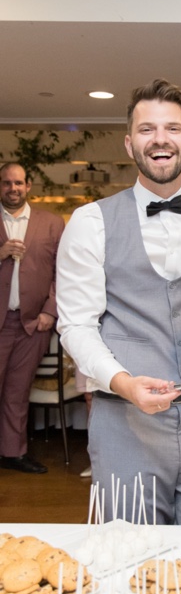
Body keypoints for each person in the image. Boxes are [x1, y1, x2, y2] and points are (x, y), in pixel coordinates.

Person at [58, 79, 181, 524]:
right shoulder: (90, 223)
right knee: (131, 552)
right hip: (125, 421)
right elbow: (76, 325)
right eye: (147, 129)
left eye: (171, 128)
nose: (160, 139)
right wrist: (123, 382)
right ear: (130, 144)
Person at [0, 163, 65, 474]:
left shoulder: (52, 223)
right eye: (6, 183)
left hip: (32, 325)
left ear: (28, 186)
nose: (13, 188)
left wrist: (50, 311)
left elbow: (62, 273)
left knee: (17, 390)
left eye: (18, 183)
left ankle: (13, 453)